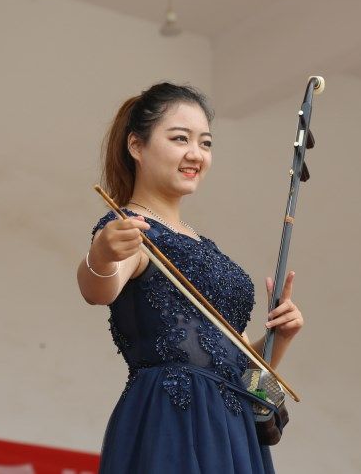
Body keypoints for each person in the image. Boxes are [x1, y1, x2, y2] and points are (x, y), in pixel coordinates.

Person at [77, 82, 303, 473]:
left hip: (232, 428)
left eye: (205, 143)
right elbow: (98, 289)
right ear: (137, 146)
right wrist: (101, 254)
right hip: (174, 419)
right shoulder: (129, 228)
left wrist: (278, 338)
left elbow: (242, 370)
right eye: (180, 138)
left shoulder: (207, 247)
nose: (195, 154)